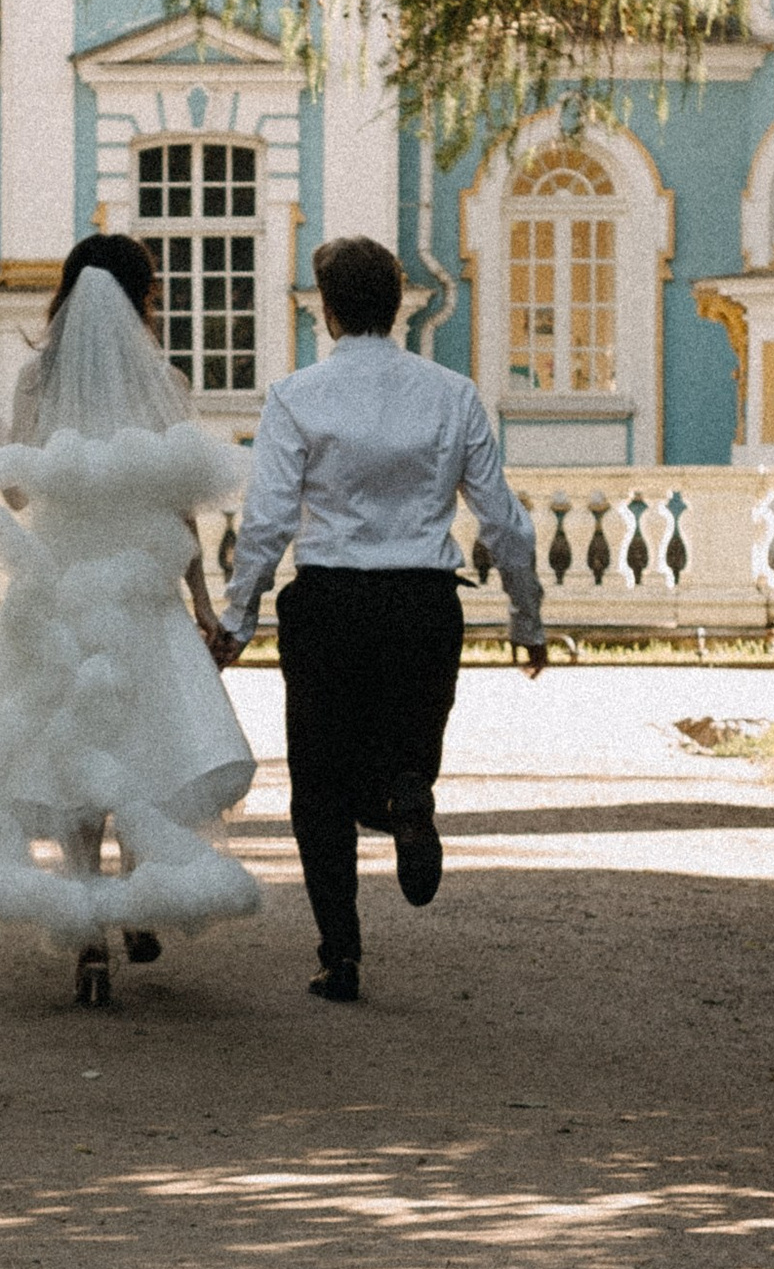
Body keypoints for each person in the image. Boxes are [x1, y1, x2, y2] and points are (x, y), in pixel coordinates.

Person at [209, 233, 548, 1004]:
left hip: (328, 604)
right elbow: (505, 523)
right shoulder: (452, 394)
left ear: (327, 312)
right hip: (424, 605)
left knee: (319, 784)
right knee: (406, 745)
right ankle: (407, 797)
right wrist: (527, 621)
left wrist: (238, 617)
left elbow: (265, 523)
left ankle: (343, 956)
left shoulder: (297, 397)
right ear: (397, 308)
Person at [0, 232, 261, 1006]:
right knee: (145, 743)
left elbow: (18, 497)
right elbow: (178, 506)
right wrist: (205, 603)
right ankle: (139, 893)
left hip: (58, 593)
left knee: (69, 749)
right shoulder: (165, 381)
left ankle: (88, 939)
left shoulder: (37, 383)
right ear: (142, 296)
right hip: (142, 592)